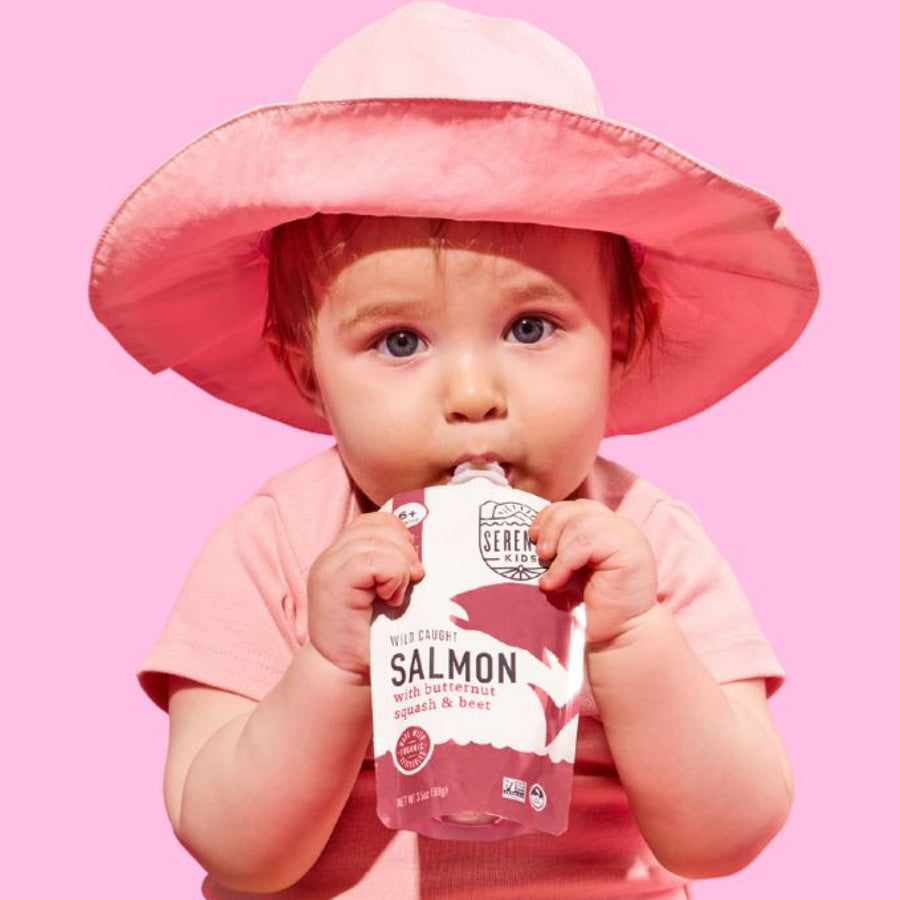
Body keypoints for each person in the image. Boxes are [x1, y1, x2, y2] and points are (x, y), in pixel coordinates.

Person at [89, 3, 818, 897]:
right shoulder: (280, 543)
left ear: (619, 339)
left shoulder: (643, 541)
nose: (473, 396)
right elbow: (231, 845)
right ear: (304, 368)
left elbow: (728, 836)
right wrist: (331, 666)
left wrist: (632, 639)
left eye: (530, 326)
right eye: (399, 342)